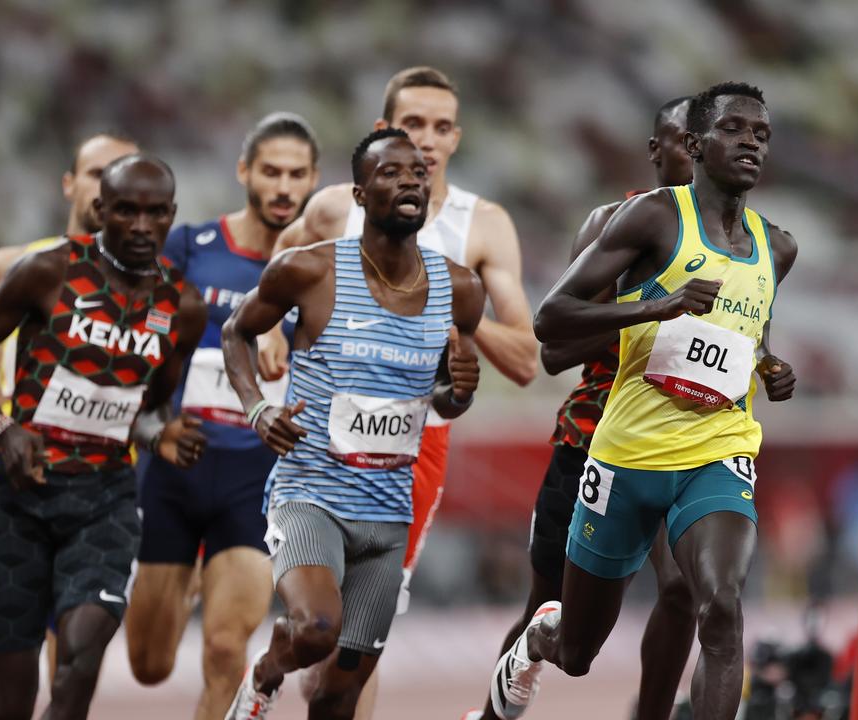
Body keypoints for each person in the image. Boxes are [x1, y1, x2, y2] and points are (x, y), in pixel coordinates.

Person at [491, 81, 798, 720]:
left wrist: (769, 365)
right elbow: (552, 320)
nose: (751, 143)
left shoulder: (779, 246)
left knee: (718, 606)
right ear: (694, 142)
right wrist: (661, 304)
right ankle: (537, 640)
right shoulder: (651, 217)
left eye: (762, 135)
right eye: (736, 129)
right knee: (577, 650)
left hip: (718, 448)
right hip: (627, 452)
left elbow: (749, 326)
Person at [273, 66, 536, 715]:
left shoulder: (484, 225)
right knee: (318, 629)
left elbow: (527, 358)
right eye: (413, 124)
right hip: (321, 439)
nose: (427, 140)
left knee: (355, 646)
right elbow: (282, 259)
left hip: (412, 449)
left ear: (457, 137)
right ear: (383, 131)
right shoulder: (339, 205)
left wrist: (453, 313)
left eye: (442, 127)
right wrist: (274, 337)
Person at [222, 128, 484, 720]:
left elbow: (446, 400)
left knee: (341, 692)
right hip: (311, 495)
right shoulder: (308, 271)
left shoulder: (460, 289)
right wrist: (258, 408)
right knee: (315, 630)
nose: (410, 181)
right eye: (391, 173)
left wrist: (461, 391)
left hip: (389, 513)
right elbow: (236, 331)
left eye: (418, 172)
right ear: (360, 194)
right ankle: (265, 675)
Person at [0, 154, 208, 720]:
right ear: (100, 210)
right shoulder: (50, 272)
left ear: (171, 216)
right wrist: (2, 426)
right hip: (23, 496)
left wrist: (161, 433)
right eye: (126, 211)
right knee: (7, 701)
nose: (141, 226)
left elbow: (148, 405)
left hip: (104, 499)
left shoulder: (181, 309)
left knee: (81, 658)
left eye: (155, 214)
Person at [467, 96, 699, 720]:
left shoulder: (741, 240)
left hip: (683, 442)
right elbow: (554, 350)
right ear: (658, 151)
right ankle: (493, 713)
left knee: (681, 591)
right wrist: (653, 320)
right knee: (550, 612)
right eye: (685, 140)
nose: (700, 153)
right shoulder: (611, 225)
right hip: (597, 438)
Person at [125, 112, 321, 719]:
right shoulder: (190, 247)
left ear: (315, 179)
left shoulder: (321, 274)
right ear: (244, 172)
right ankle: (182, 581)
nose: (283, 187)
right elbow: (141, 339)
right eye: (270, 172)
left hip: (258, 479)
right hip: (175, 466)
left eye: (296, 174)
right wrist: (152, 428)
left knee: (224, 646)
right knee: (149, 663)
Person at [0, 131, 140, 680]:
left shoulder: (149, 281)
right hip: (9, 477)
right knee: (9, 656)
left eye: (121, 174)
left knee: (77, 655)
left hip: (99, 485)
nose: (107, 186)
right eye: (95, 173)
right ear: (69, 183)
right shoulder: (17, 265)